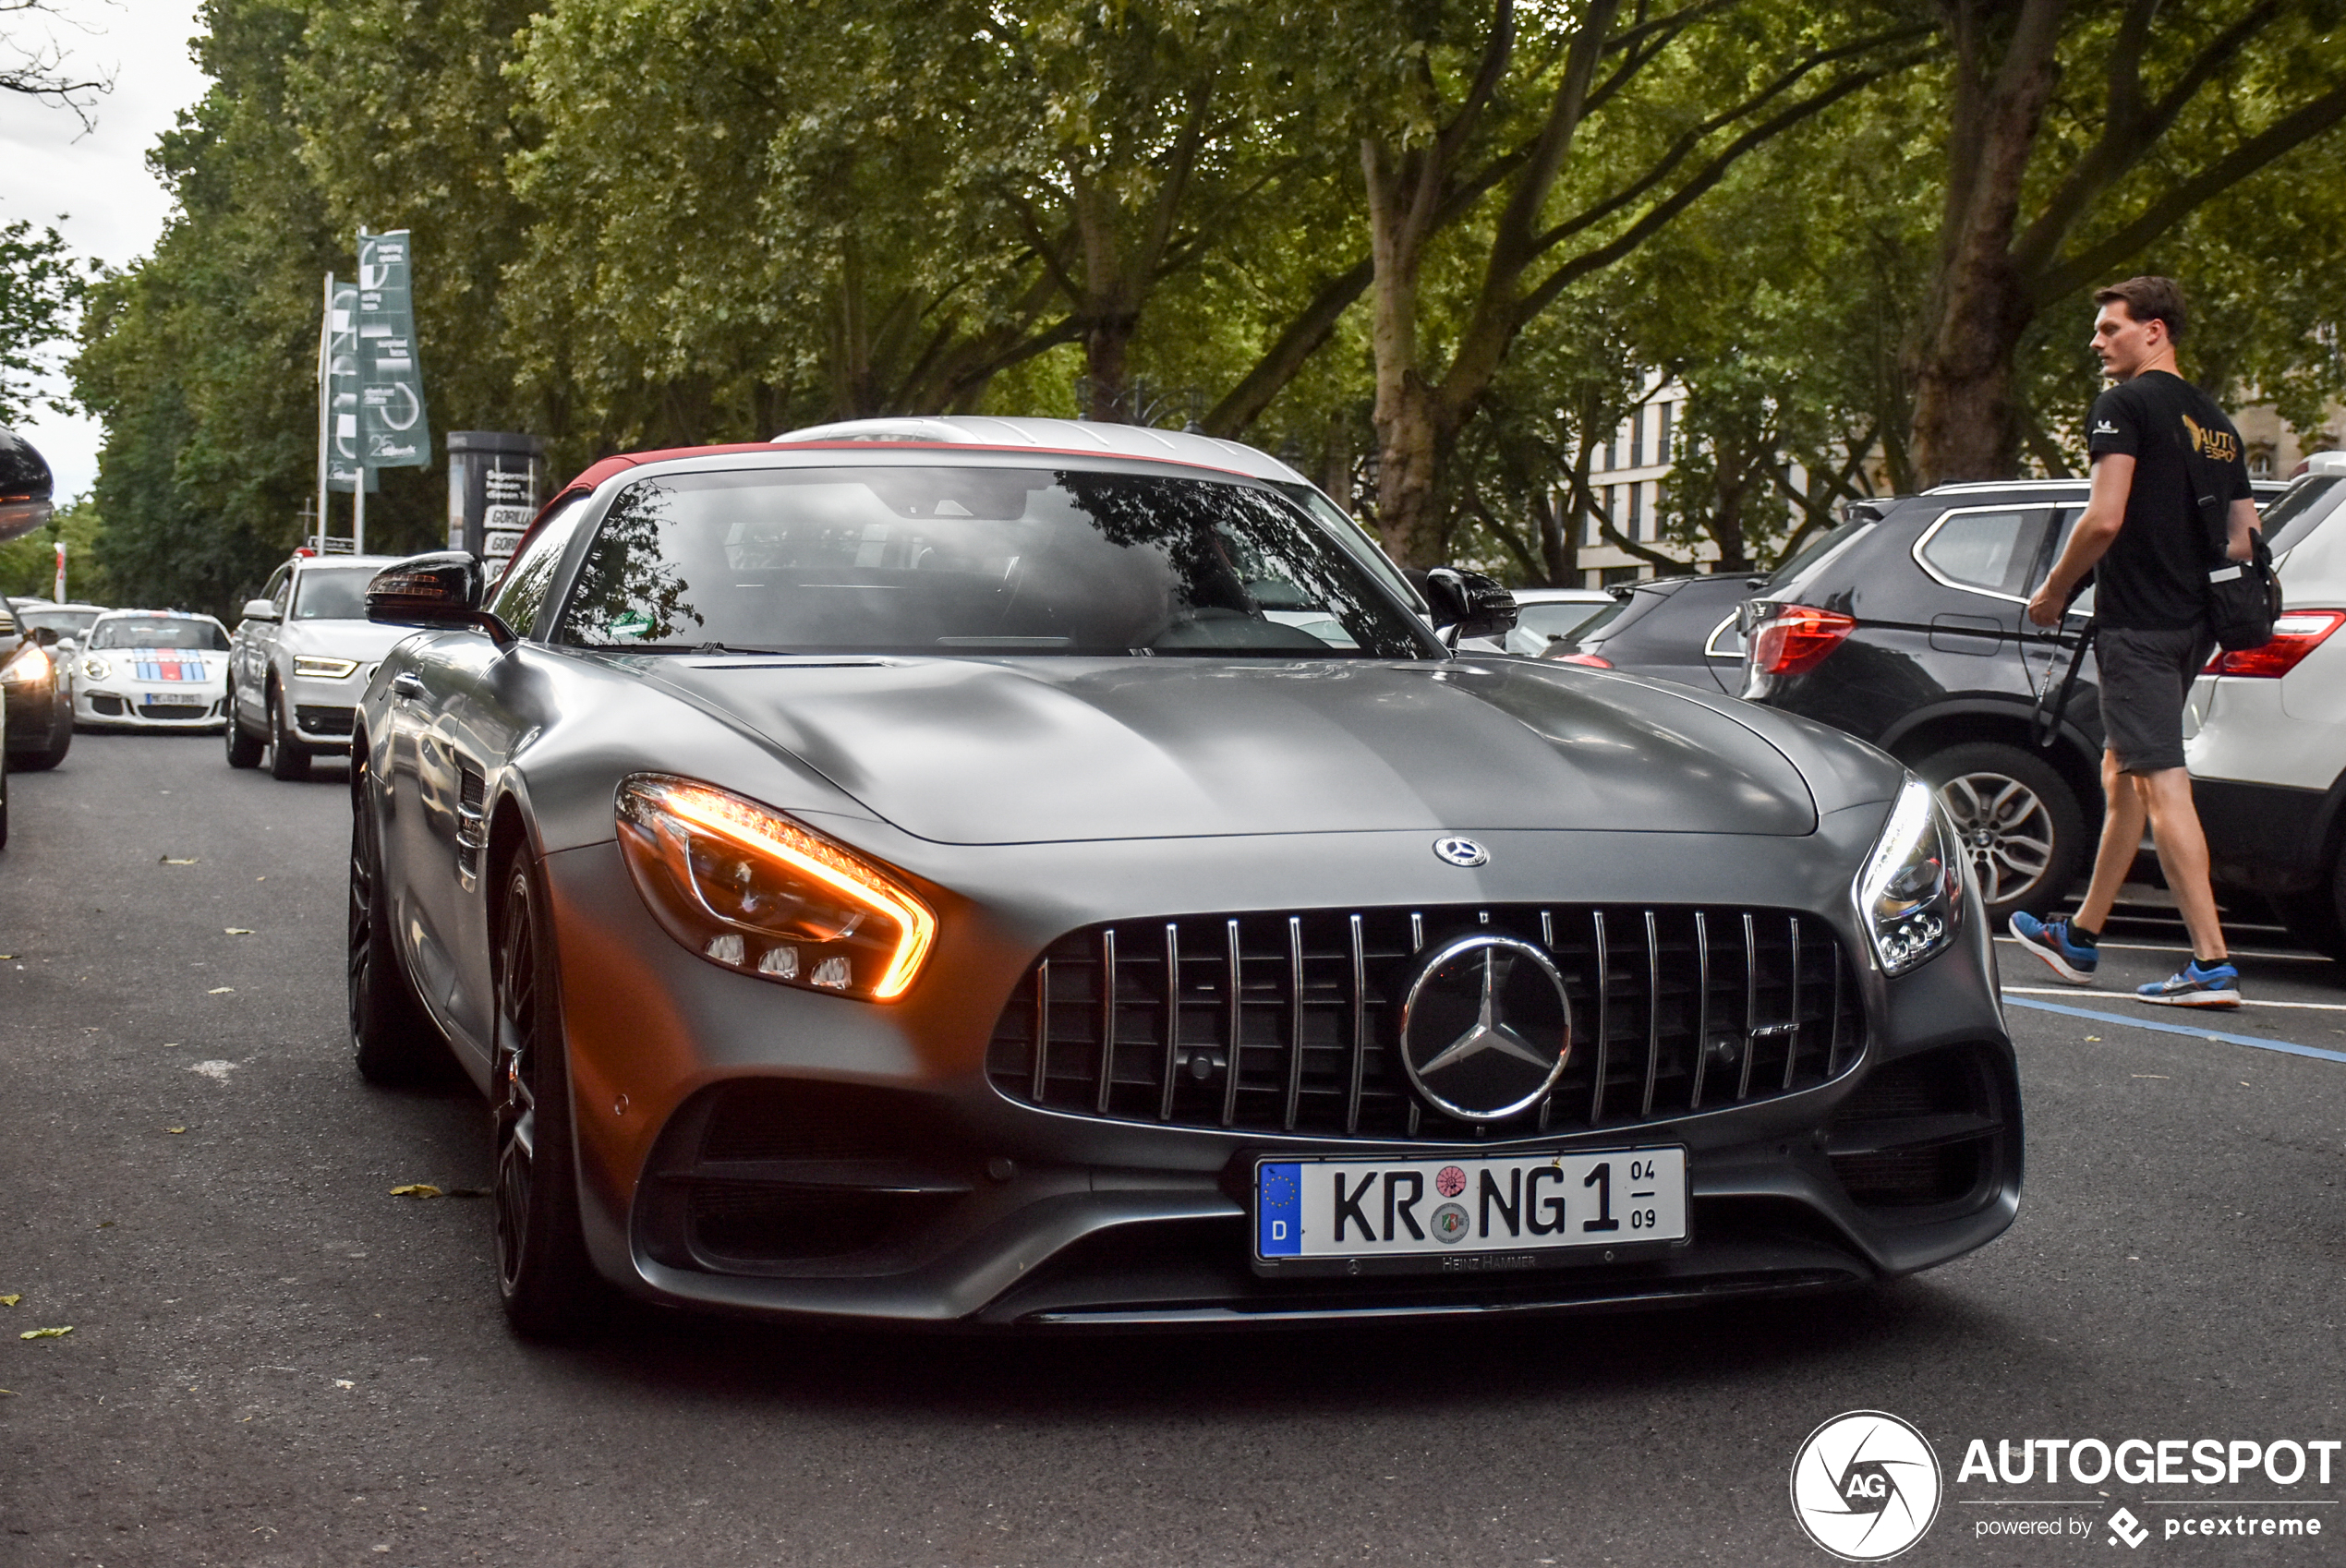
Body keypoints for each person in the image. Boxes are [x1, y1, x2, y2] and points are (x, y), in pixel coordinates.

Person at [2009, 276, 2258, 1008]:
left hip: (2139, 626)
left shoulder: (2123, 405)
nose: (2096, 340)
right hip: (2192, 626)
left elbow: (2103, 518)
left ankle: (2211, 963)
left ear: (2154, 331)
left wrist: (2054, 591)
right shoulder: (2215, 421)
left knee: (2157, 780)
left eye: (2108, 328)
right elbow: (2246, 537)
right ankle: (2079, 936)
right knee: (2123, 771)